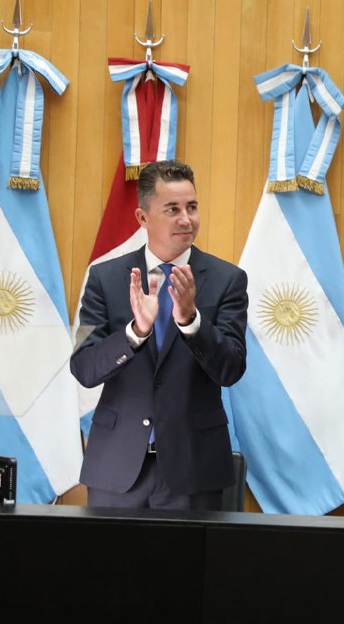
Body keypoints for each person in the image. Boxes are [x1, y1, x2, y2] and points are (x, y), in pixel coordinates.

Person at [71, 159, 248, 510]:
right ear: (143, 217)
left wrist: (192, 322)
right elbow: (84, 368)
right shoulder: (104, 278)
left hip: (194, 469)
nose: (186, 219)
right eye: (173, 209)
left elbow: (231, 369)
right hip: (116, 468)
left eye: (192, 207)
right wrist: (135, 332)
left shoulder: (228, 279)